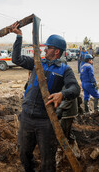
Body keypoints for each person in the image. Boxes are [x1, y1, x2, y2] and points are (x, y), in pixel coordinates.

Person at [10, 22, 80, 172]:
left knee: (48, 160)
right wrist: (19, 36)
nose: (45, 49)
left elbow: (75, 88)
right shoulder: (37, 63)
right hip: (27, 117)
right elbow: (16, 59)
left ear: (56, 52)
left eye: (48, 47)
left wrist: (62, 94)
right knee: (23, 153)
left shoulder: (64, 70)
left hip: (46, 121)